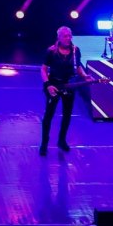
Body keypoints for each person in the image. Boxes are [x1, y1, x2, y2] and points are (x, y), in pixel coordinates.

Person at [40, 26, 89, 154]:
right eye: (65, 36)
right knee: (49, 115)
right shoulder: (51, 51)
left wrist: (85, 76)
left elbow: (78, 67)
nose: (68, 38)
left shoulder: (75, 50)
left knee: (67, 115)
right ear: (59, 37)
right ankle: (44, 143)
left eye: (69, 36)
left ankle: (62, 141)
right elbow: (43, 69)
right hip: (54, 85)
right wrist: (48, 85)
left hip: (69, 85)